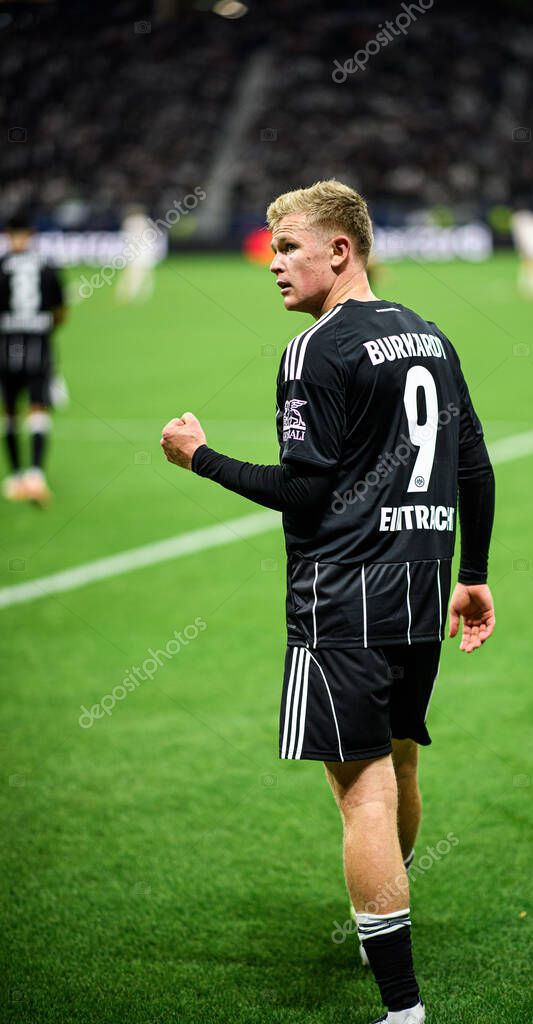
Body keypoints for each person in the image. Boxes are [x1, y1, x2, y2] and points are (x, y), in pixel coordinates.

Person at [161, 180, 495, 1023]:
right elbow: (475, 469)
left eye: (286, 249)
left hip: (342, 597)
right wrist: (472, 575)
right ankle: (383, 923)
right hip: (421, 586)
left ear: (339, 251)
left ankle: (400, 1004)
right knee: (402, 762)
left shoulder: (314, 349)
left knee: (363, 794)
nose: (272, 265)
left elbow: (304, 493)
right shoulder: (429, 337)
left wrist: (198, 457)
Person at [0, 213, 66, 505]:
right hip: (39, 347)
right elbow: (61, 310)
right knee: (38, 409)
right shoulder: (46, 266)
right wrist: (44, 329)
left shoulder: (1, 267)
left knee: (9, 412)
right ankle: (35, 474)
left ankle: (15, 477)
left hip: (5, 348)